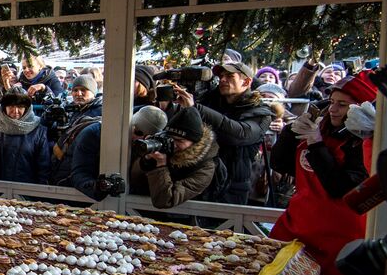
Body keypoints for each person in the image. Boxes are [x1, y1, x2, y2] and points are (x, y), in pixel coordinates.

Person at [270, 71, 377, 275]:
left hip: (337, 239)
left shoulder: (365, 143)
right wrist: (290, 133)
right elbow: (280, 163)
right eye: (332, 102)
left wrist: (316, 145)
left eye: (343, 105)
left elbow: (339, 187)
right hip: (297, 227)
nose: (333, 110)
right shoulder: (321, 128)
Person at [176, 53, 272, 204]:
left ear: (246, 81)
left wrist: (197, 109)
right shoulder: (209, 101)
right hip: (200, 180)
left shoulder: (261, 112)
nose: (222, 79)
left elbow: (240, 134)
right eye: (221, 76)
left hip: (232, 188)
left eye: (230, 76)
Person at [69, 106, 167, 202]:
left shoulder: (149, 147)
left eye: (147, 138)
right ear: (129, 123)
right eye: (138, 132)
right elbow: (79, 173)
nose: (140, 140)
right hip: (81, 198)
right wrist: (99, 186)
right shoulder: (94, 134)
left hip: (126, 202)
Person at [130, 106, 221, 209]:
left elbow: (164, 200)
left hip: (184, 214)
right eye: (170, 138)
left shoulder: (205, 168)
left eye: (179, 140)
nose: (173, 143)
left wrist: (161, 166)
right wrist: (146, 160)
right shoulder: (165, 147)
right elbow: (134, 180)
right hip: (140, 206)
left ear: (195, 142)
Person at [0, 90, 49, 183]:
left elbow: (43, 166)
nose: (15, 111)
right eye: (11, 106)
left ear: (26, 108)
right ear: (4, 107)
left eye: (20, 107)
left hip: (26, 188)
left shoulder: (38, 130)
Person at [49, 75, 102, 186]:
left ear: (93, 92)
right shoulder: (68, 109)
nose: (78, 94)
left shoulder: (101, 111)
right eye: (75, 90)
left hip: (84, 166)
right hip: (62, 165)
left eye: (83, 90)